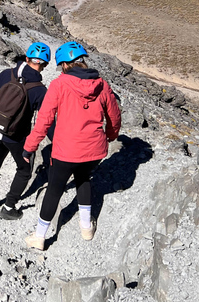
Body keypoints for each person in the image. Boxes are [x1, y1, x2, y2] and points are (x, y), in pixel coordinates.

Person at [22, 41, 121, 250]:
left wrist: (29, 147)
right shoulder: (101, 84)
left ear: (65, 65)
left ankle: (40, 237)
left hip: (65, 151)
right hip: (94, 150)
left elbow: (44, 122)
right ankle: (86, 228)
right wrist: (111, 136)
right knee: (83, 180)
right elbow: (114, 115)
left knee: (54, 190)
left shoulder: (59, 85)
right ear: (82, 60)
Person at [0, 42, 51, 220]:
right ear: (45, 65)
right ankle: (9, 207)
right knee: (24, 170)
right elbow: (45, 121)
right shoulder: (40, 91)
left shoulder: (7, 74)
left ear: (26, 59)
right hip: (16, 137)